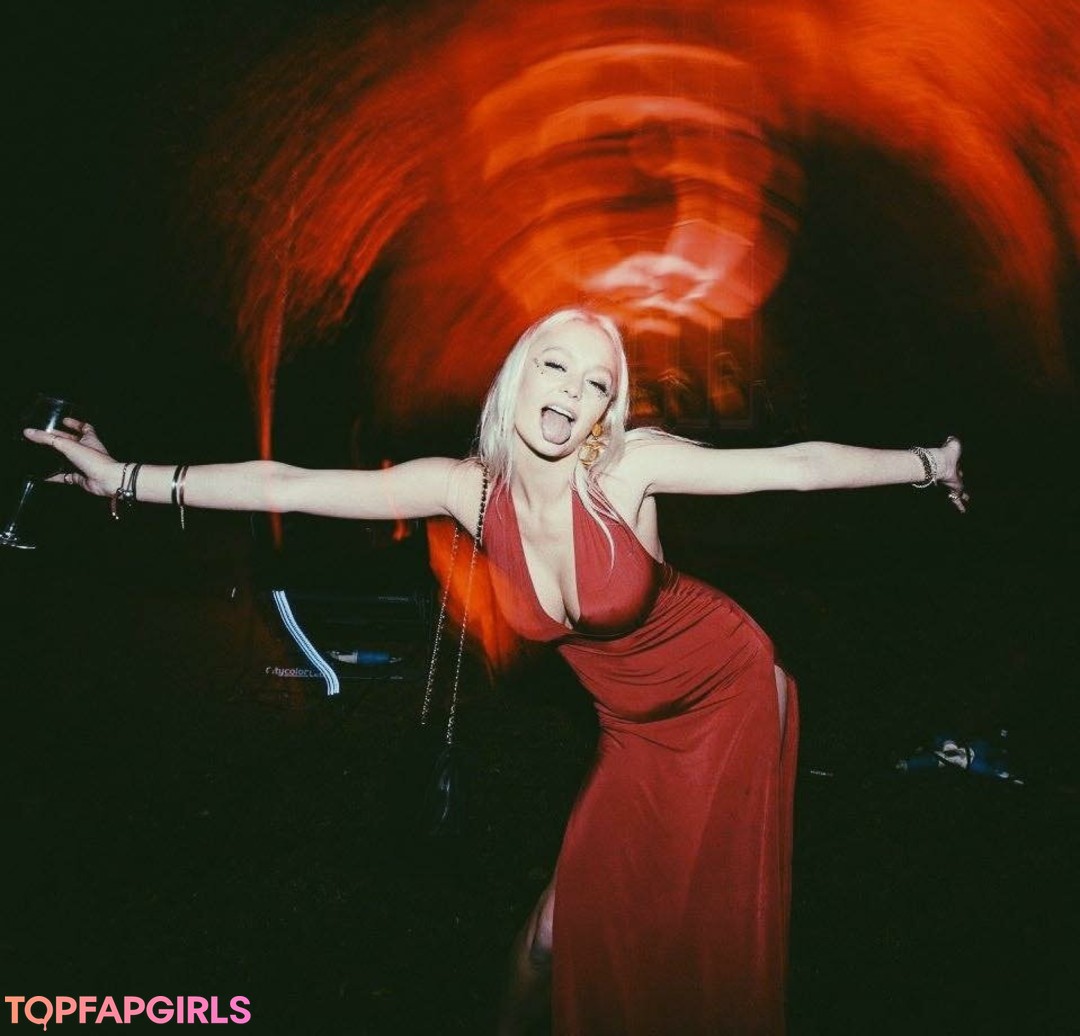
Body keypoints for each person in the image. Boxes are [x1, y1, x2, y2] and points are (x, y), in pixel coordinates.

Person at [27, 307, 968, 1035]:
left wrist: (931, 461)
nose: (573, 389)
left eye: (596, 382)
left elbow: (796, 467)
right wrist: (126, 479)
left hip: (723, 693)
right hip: (631, 731)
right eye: (555, 364)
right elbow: (293, 486)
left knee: (701, 932)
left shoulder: (628, 470)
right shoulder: (465, 491)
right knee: (556, 936)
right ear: (518, 376)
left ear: (607, 411)